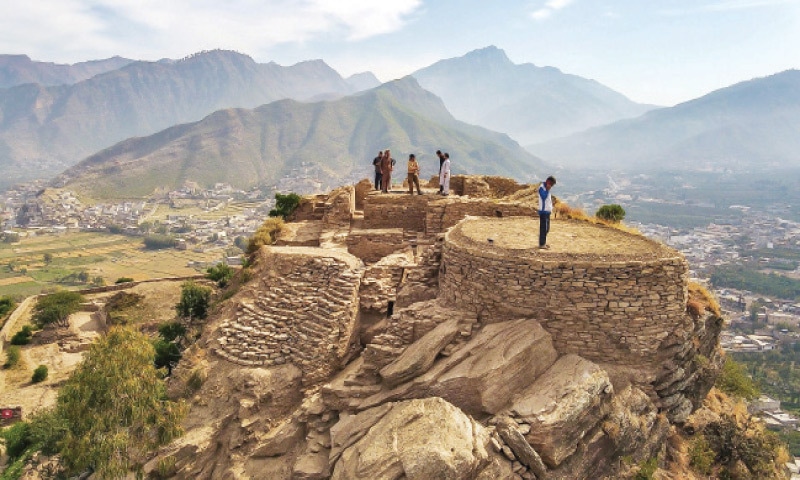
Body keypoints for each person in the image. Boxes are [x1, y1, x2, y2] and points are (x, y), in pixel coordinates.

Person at [538, 176, 557, 249]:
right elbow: (543, 197)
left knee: (547, 229)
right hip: (543, 212)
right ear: (548, 182)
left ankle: (543, 242)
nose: (552, 186)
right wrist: (547, 190)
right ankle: (542, 244)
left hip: (547, 212)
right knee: (543, 228)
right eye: (551, 184)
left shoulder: (547, 189)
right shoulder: (542, 188)